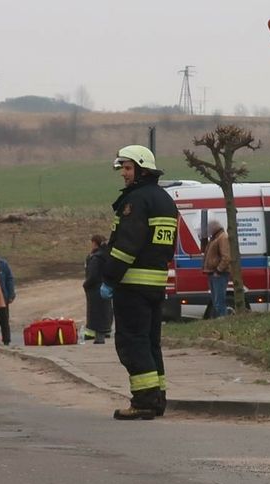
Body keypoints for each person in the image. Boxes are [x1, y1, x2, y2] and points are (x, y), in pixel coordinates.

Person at [99, 144, 178, 420]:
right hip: (155, 285)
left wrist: (109, 277)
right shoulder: (165, 200)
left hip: (132, 286)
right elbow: (167, 247)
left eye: (128, 168)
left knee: (133, 342)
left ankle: (143, 401)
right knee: (150, 343)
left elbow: (126, 246)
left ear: (142, 170)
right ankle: (157, 399)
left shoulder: (136, 201)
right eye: (122, 168)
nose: (123, 174)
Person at [82, 234, 113, 344]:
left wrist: (86, 284)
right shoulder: (106, 255)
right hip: (104, 286)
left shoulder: (96, 258)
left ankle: (99, 337)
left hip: (95, 288)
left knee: (96, 313)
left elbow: (93, 275)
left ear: (95, 243)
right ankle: (103, 332)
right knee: (105, 311)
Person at [201, 220, 231, 318]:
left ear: (215, 227)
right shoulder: (215, 238)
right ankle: (219, 320)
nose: (208, 230)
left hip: (219, 274)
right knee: (215, 301)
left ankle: (223, 320)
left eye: (209, 228)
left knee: (219, 301)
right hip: (212, 273)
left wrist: (218, 270)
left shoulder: (222, 238)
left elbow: (226, 257)